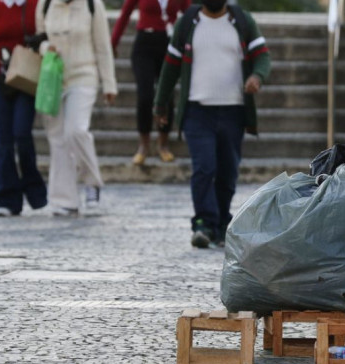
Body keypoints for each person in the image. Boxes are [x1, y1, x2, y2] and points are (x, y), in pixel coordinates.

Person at [154, 0, 270, 248]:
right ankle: (204, 223)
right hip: (197, 110)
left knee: (228, 171)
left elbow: (262, 57)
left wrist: (257, 76)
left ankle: (220, 223)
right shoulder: (188, 22)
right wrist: (161, 104)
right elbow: (170, 66)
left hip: (233, 111)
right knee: (204, 167)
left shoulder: (241, 21)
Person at [36, 0, 117, 217]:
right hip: (53, 78)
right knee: (57, 138)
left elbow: (102, 46)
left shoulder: (92, 5)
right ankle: (65, 199)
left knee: (76, 130)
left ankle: (92, 182)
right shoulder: (45, 4)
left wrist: (109, 83)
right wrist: (46, 47)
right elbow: (38, 38)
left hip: (84, 76)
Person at [0, 0, 47, 217]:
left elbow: (45, 35)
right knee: (4, 141)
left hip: (26, 79)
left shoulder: (35, 6)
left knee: (22, 133)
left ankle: (34, 191)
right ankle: (6, 199)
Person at [111, 0, 190, 166]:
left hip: (169, 44)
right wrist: (113, 43)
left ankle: (163, 143)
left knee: (167, 96)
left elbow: (190, 14)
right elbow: (125, 14)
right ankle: (144, 144)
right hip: (144, 45)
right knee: (145, 95)